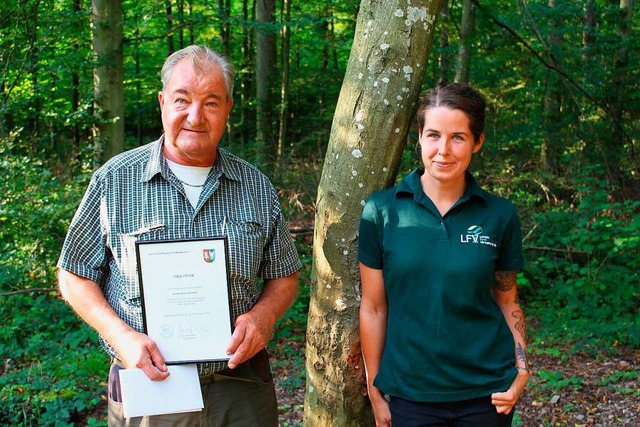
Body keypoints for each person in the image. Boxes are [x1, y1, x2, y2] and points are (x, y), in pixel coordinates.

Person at [57, 45, 301, 426]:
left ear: (228, 109)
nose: (195, 116)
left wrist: (264, 317)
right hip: (149, 382)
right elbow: (73, 274)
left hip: (240, 386)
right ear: (162, 103)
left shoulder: (256, 186)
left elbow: (284, 275)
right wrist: (121, 337)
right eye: (182, 100)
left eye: (211, 102)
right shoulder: (115, 181)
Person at [358, 82, 530, 427]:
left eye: (458, 137)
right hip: (410, 395)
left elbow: (507, 299)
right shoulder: (382, 211)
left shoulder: (499, 214)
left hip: (487, 395)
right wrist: (376, 391)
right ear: (419, 137)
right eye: (434, 135)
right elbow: (374, 307)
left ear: (477, 142)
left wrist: (523, 369)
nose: (444, 150)